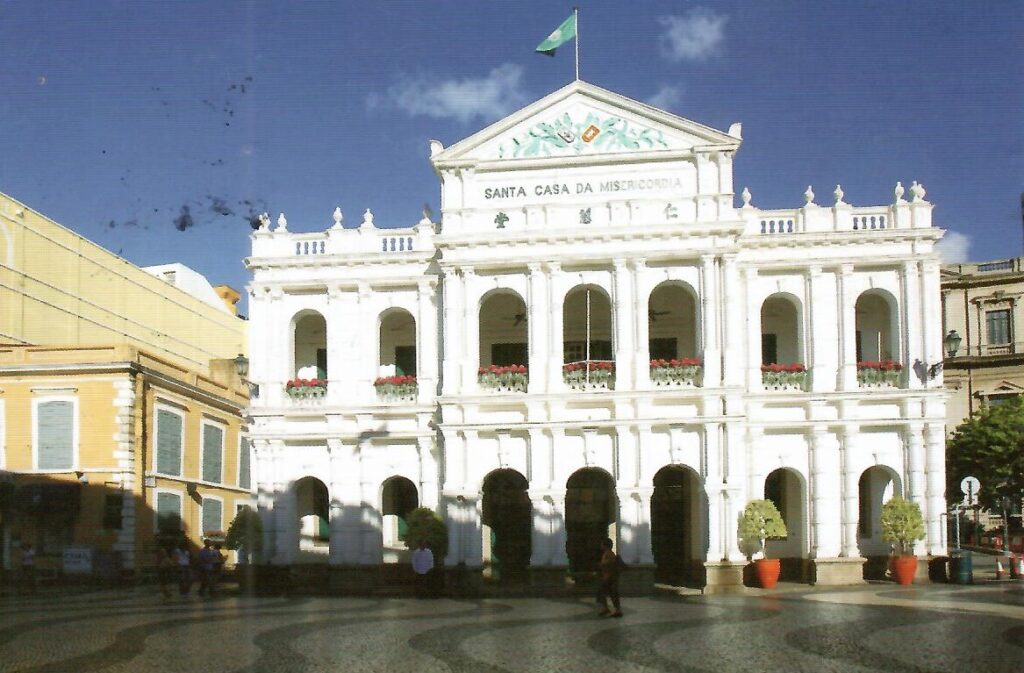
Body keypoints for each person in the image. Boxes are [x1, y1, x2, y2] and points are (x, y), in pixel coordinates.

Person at [596, 538, 623, 618]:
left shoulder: (609, 554)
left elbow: (609, 564)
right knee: (606, 593)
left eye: (602, 544)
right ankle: (607, 608)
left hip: (609, 577)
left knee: (610, 593)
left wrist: (600, 564)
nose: (601, 546)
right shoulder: (607, 553)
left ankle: (615, 610)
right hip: (608, 577)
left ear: (605, 545)